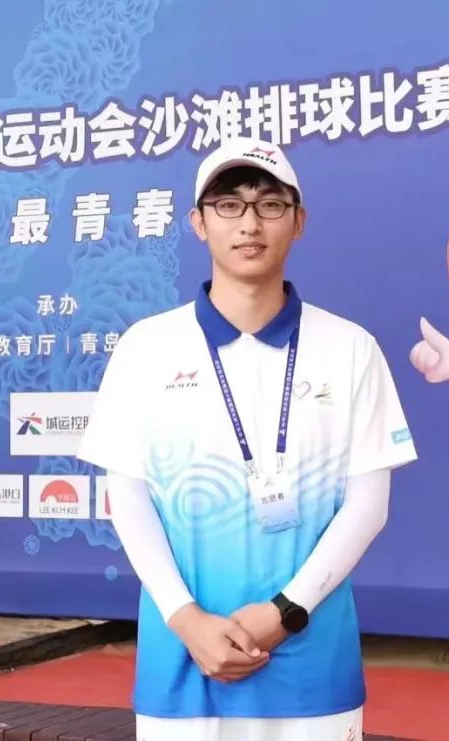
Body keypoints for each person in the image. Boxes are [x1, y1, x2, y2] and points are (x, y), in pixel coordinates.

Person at [77, 136, 418, 740]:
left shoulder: (350, 348)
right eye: (229, 205)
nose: (250, 224)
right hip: (183, 662)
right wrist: (186, 620)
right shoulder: (145, 348)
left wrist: (286, 613)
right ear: (199, 223)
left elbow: (368, 506)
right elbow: (128, 500)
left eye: (270, 204)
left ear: (298, 221)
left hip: (312, 664)